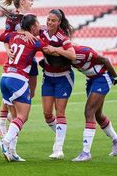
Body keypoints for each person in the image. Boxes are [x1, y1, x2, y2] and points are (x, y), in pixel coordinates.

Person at [0, 0, 37, 161]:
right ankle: (3, 127)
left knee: (17, 115)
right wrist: (8, 49)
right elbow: (7, 37)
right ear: (22, 2)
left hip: (26, 62)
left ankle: (12, 151)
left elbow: (0, 36)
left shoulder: (31, 16)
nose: (33, 2)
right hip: (18, 65)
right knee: (21, 114)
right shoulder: (12, 18)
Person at [0, 14, 48, 162]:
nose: (39, 25)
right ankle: (4, 142)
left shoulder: (12, 35)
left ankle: (12, 152)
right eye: (38, 24)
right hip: (18, 80)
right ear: (32, 27)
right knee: (22, 117)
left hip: (4, 77)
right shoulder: (35, 41)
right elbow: (50, 49)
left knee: (14, 118)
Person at [66, 45, 117, 161]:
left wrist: (116, 77)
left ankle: (86, 152)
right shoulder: (64, 54)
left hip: (102, 77)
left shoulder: (84, 52)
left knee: (89, 112)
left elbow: (105, 60)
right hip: (91, 80)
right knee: (97, 115)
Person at [38, 9, 76, 159]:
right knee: (47, 114)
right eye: (48, 20)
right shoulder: (42, 31)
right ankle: (60, 135)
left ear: (59, 22)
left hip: (63, 78)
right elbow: (26, 30)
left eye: (53, 21)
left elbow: (72, 54)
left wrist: (56, 49)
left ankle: (58, 148)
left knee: (59, 112)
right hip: (47, 77)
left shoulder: (62, 37)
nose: (49, 23)